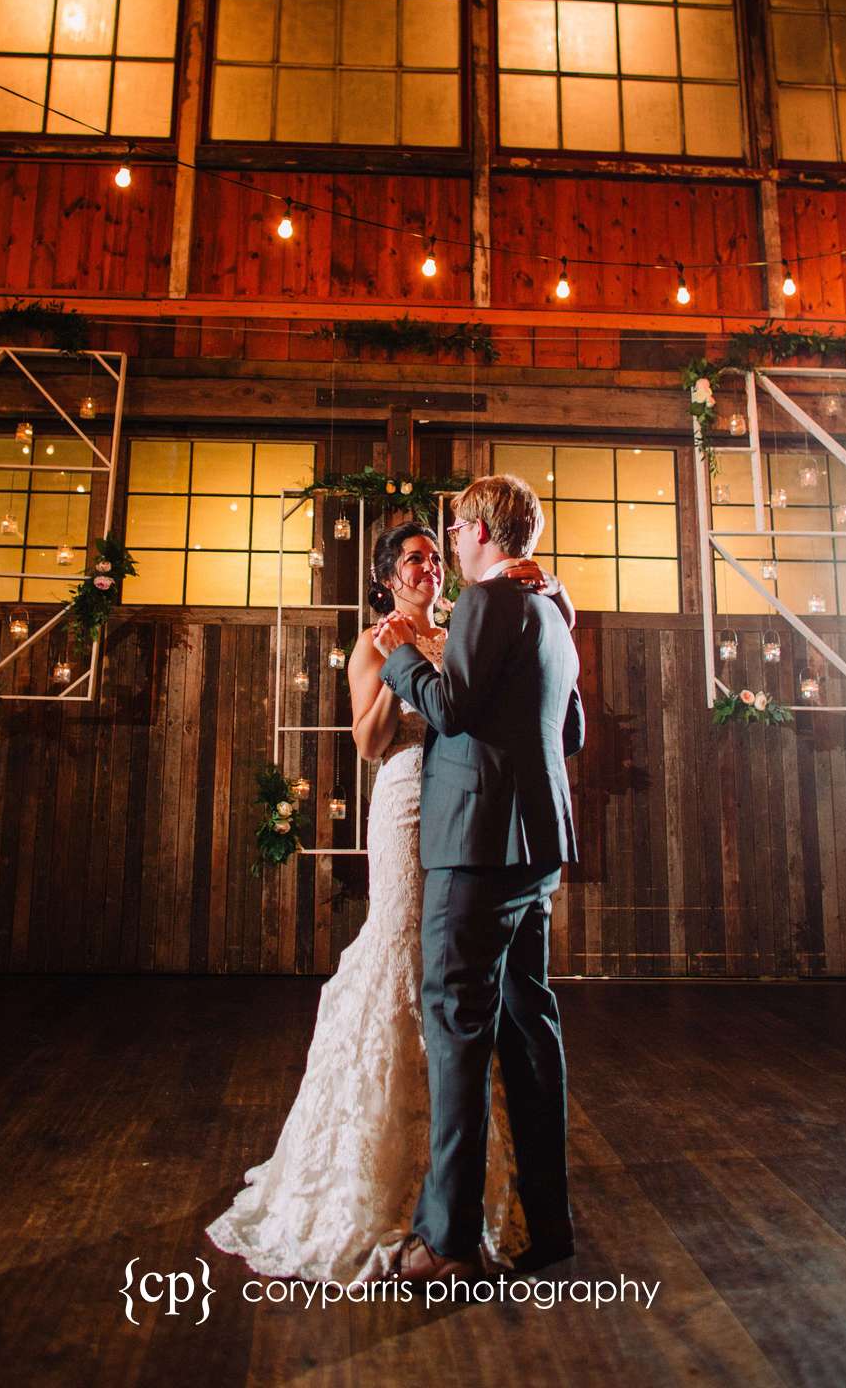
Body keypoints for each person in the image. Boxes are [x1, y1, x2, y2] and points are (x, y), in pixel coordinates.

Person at [205, 519, 572, 1283]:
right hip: (408, 798)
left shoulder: (475, 620)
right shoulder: (375, 643)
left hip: (467, 809)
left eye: (437, 556)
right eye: (414, 560)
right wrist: (392, 658)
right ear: (387, 578)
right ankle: (380, 1161)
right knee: (405, 951)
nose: (430, 567)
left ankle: (452, 1177)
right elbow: (369, 743)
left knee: (455, 978)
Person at [375, 474, 585, 1284]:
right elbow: (569, 731)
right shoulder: (556, 616)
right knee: (530, 1027)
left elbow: (452, 707)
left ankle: (448, 1242)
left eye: (456, 528)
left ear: (479, 530)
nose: (452, 543)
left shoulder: (489, 603)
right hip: (536, 845)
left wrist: (399, 654)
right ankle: (548, 1222)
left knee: (456, 1028)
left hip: (475, 844)